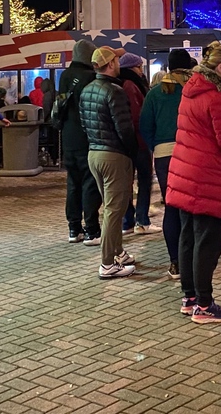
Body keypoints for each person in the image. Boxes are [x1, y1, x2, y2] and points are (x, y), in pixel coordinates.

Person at [166, 41, 221, 324]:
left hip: (184, 171)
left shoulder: (192, 89)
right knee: (208, 241)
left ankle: (189, 298)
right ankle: (204, 304)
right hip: (207, 175)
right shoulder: (217, 97)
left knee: (187, 237)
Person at [80, 46, 138, 279]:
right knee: (116, 210)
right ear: (111, 64)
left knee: (111, 207)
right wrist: (133, 152)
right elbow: (124, 128)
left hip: (94, 153)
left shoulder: (87, 90)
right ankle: (107, 263)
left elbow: (85, 124)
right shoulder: (115, 91)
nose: (118, 62)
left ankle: (118, 252)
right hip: (114, 155)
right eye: (116, 58)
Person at [140, 48, 195, 280]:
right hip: (192, 153)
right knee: (191, 208)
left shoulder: (154, 93)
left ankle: (175, 263)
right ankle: (192, 259)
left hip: (164, 155)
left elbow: (144, 126)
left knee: (171, 207)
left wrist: (157, 146)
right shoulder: (193, 90)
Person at [55, 40, 102, 245]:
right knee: (90, 183)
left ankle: (74, 228)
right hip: (86, 137)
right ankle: (92, 228)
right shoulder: (90, 77)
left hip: (68, 137)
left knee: (73, 183)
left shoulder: (65, 76)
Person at [118, 52, 159, 235]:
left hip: (126, 142)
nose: (142, 70)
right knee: (143, 179)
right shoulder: (131, 85)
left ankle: (128, 220)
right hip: (138, 141)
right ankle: (140, 220)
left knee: (127, 181)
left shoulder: (121, 83)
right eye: (140, 66)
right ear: (133, 68)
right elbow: (137, 116)